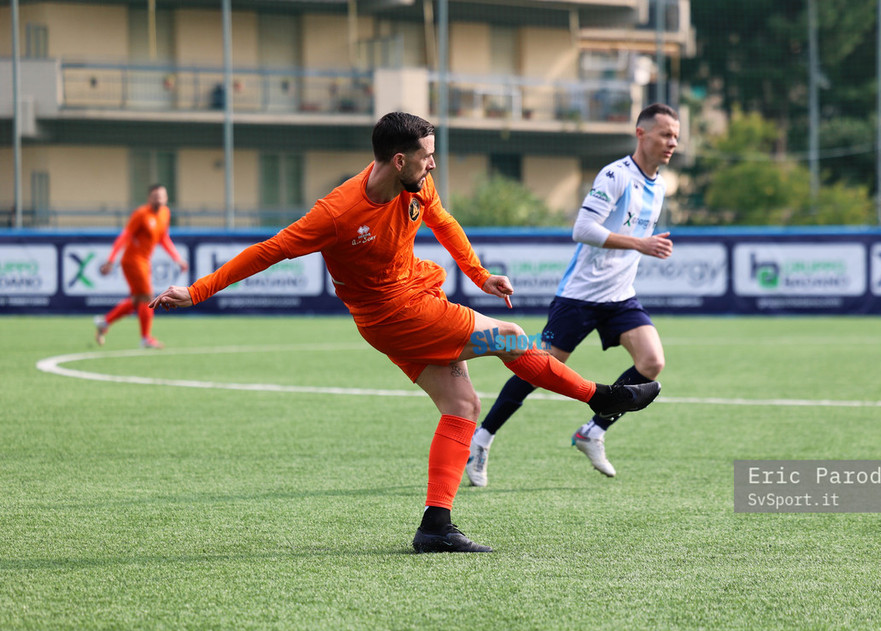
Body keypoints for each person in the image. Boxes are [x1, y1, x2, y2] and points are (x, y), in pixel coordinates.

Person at [149, 111, 661, 554]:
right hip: (393, 315)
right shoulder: (337, 212)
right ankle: (600, 397)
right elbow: (268, 251)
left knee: (462, 405)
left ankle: (435, 527)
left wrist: (479, 274)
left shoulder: (416, 184)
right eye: (427, 156)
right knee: (507, 336)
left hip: (413, 299)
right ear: (399, 160)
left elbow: (444, 222)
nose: (433, 164)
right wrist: (197, 291)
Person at [466, 103, 679, 487]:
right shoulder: (615, 175)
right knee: (537, 368)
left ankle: (593, 432)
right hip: (579, 297)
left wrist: (640, 247)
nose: (672, 142)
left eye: (676, 136)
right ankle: (482, 438)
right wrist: (640, 244)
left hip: (620, 298)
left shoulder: (660, 185)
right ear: (641, 133)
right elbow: (582, 228)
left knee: (652, 361)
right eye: (665, 134)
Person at [94, 184, 188, 349]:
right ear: (149, 198)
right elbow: (124, 237)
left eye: (161, 196)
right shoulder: (141, 214)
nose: (158, 199)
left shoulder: (165, 213)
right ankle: (145, 338)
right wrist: (110, 260)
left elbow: (163, 238)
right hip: (132, 261)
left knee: (138, 301)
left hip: (144, 261)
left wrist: (177, 259)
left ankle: (105, 322)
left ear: (166, 198)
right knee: (147, 298)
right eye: (155, 196)